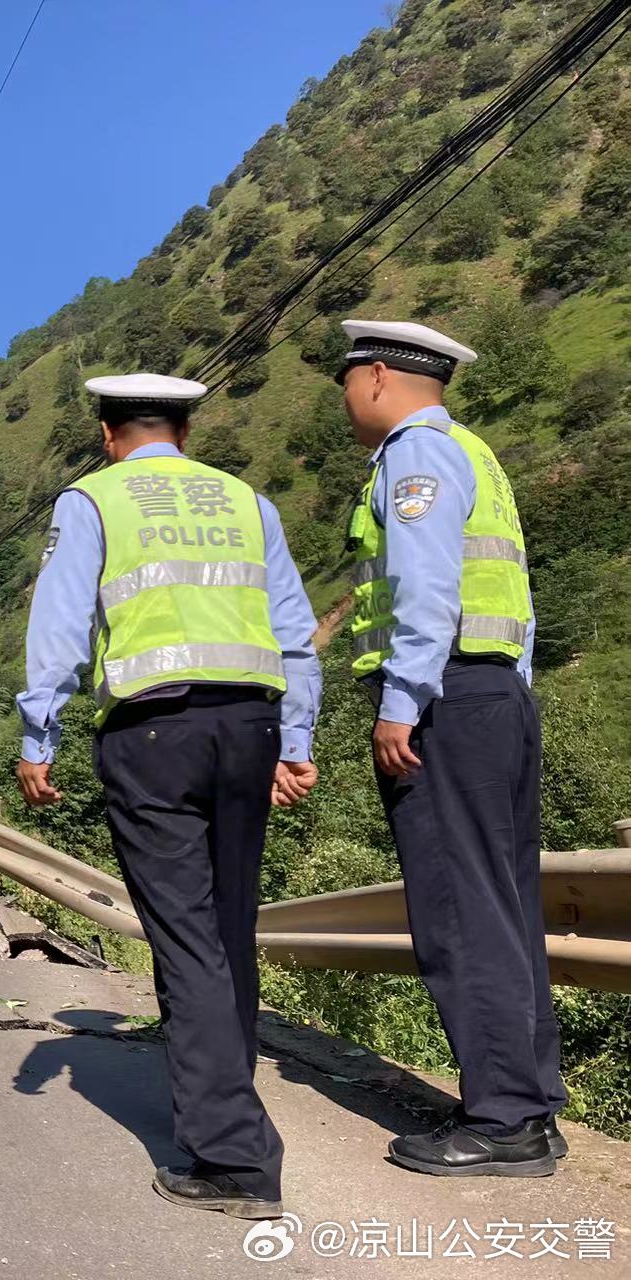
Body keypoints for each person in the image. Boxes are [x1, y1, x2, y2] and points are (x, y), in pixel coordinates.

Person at [15, 373, 320, 1219]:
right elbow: (291, 629)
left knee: (184, 935)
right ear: (182, 431)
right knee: (229, 928)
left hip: (153, 735)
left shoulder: (93, 498)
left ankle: (233, 1159)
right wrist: (294, 741)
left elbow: (60, 621)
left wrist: (37, 735)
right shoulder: (243, 501)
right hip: (250, 726)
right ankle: (230, 1099)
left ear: (108, 433)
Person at [336, 319, 565, 1178]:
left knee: (459, 909)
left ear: (377, 377)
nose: (347, 400)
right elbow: (515, 596)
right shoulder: (477, 452)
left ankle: (502, 1119)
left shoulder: (412, 456)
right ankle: (528, 1108)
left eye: (347, 383)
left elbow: (428, 588)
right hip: (494, 694)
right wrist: (508, 689)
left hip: (446, 702)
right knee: (504, 903)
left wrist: (402, 703)